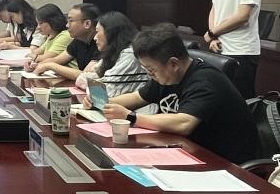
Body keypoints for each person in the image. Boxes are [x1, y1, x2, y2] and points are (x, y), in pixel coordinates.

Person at [102, 23, 259, 164]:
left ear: (173, 64)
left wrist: (131, 117)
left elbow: (184, 123)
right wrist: (102, 101)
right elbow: (137, 97)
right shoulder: (166, 75)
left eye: (151, 69)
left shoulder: (205, 81)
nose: (150, 74)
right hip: (185, 151)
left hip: (225, 162)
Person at [204, 0, 262, 98]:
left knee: (241, 97)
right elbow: (214, 9)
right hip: (220, 47)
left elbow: (243, 16)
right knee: (220, 96)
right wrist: (213, 37)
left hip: (242, 50)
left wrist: (212, 33)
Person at [77, 11, 152, 111]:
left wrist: (94, 87)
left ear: (110, 32)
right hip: (116, 110)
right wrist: (94, 87)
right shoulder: (113, 53)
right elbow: (81, 79)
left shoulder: (130, 54)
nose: (94, 38)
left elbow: (105, 94)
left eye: (97, 32)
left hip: (138, 112)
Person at [28, 3, 100, 78]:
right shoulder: (78, 40)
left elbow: (87, 76)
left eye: (71, 21)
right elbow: (57, 60)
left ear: (87, 24)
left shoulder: (101, 43)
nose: (67, 25)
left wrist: (50, 66)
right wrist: (36, 65)